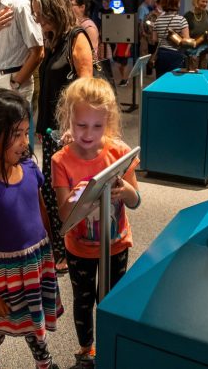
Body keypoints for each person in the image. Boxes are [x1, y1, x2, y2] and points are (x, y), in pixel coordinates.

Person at [0, 88, 63, 369]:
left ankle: (45, 363)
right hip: (3, 274)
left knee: (35, 323)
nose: (24, 142)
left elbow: (41, 209)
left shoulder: (30, 167)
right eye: (15, 134)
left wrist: (51, 249)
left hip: (36, 262)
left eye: (26, 132)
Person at [52, 77, 140, 368]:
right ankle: (86, 349)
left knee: (112, 299)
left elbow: (136, 201)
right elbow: (64, 216)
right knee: (84, 299)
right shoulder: (60, 161)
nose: (88, 134)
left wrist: (125, 191)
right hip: (80, 246)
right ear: (69, 120)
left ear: (108, 123)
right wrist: (80, 197)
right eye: (81, 125)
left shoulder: (118, 153)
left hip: (116, 242)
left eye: (97, 126)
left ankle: (111, 345)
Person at [31, 0, 93, 275]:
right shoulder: (53, 39)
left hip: (69, 131)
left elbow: (86, 86)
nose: (40, 21)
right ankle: (60, 247)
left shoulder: (76, 38)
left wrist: (73, 126)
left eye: (43, 15)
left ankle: (69, 249)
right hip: (51, 130)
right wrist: (42, 124)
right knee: (53, 192)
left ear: (56, 10)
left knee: (67, 193)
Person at [152, 0, 189, 78]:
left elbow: (154, 39)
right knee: (175, 83)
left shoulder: (158, 20)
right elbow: (187, 41)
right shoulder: (181, 20)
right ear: (176, 3)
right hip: (175, 55)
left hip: (161, 55)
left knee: (161, 81)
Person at [184, 0, 208, 69]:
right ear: (196, 1)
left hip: (205, 49)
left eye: (206, 2)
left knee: (203, 72)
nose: (205, 4)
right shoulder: (188, 16)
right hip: (193, 51)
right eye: (203, 1)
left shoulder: (206, 13)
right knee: (193, 74)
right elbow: (185, 36)